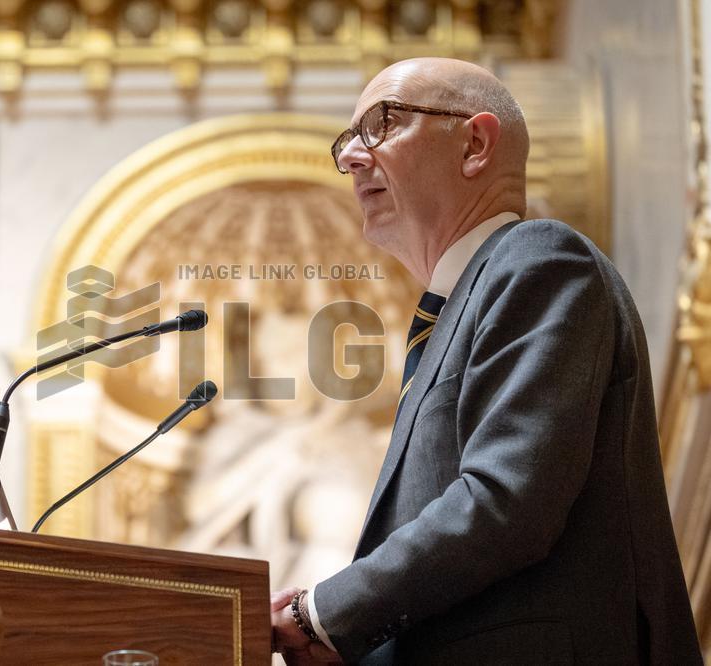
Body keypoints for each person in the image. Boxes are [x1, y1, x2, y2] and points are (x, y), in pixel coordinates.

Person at [270, 57, 702, 665]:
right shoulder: (456, 308)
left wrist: (322, 616)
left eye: (382, 124)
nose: (352, 157)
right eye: (347, 141)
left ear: (474, 145)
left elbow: (506, 500)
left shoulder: (539, 260)